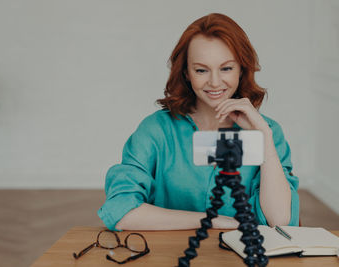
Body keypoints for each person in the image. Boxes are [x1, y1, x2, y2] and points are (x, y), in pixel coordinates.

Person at [97, 13, 299, 231]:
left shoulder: (268, 132)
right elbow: (120, 210)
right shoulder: (156, 130)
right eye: (201, 70)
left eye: (226, 68)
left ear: (242, 69)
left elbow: (279, 220)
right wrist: (210, 221)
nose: (214, 82)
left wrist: (264, 137)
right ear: (186, 73)